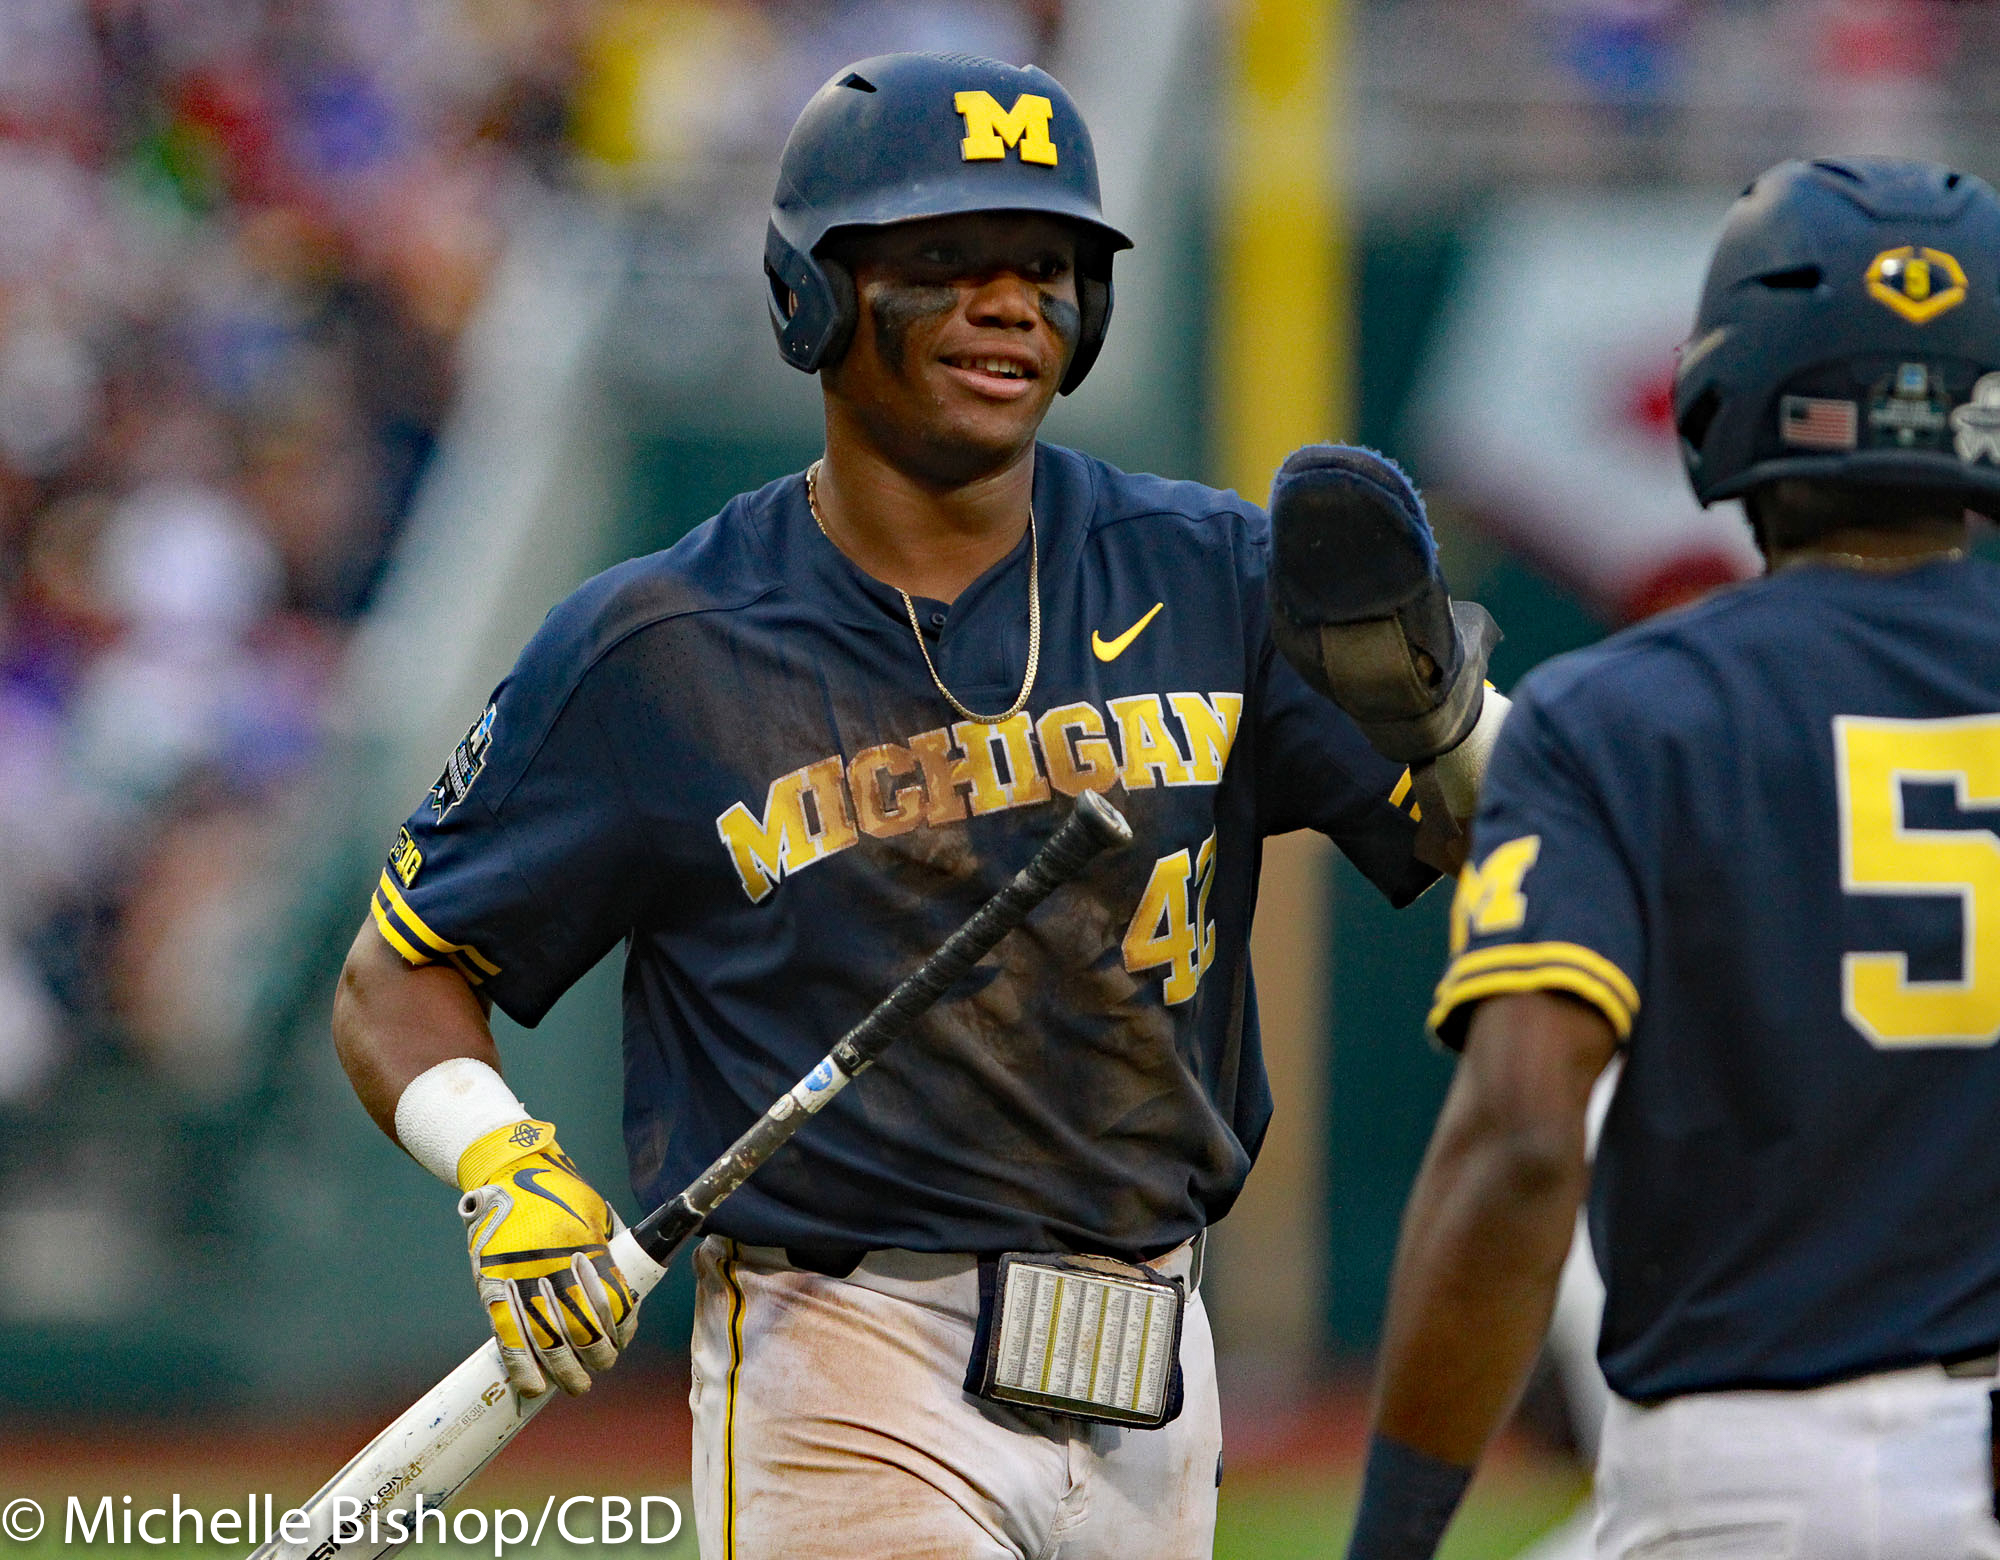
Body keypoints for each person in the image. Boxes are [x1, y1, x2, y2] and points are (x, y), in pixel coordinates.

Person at [330, 52, 1497, 1560]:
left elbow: (1498, 834)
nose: (1011, 302)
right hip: (849, 1351)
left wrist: (1449, 723)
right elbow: (396, 974)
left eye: (1050, 265)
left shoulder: (1219, 572)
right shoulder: (661, 649)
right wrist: (502, 1165)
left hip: (1153, 1354)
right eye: (946, 261)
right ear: (815, 297)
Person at [1342, 155, 2000, 1560]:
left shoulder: (1621, 712)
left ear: (1731, 385)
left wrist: (1392, 1538)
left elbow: (1523, 1143)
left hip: (1751, 1477)